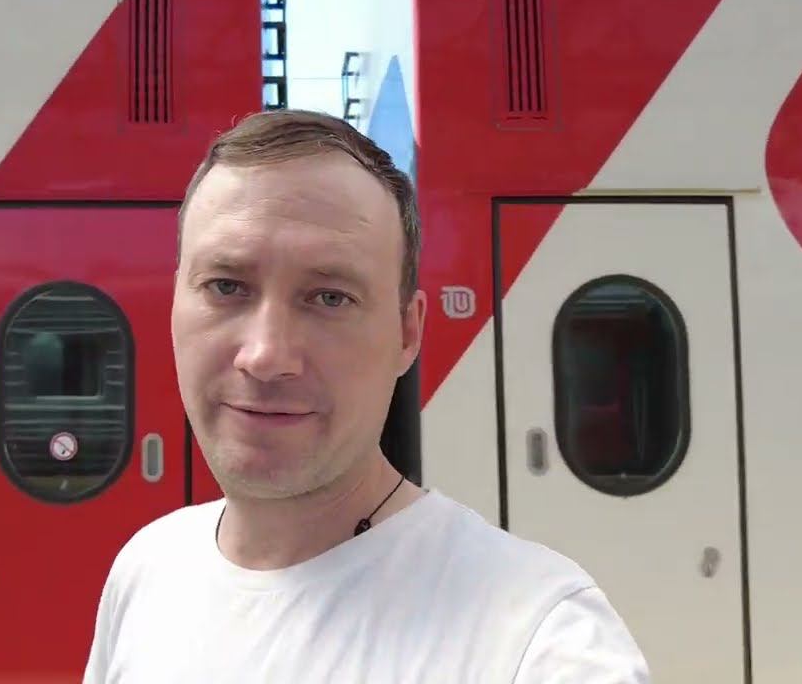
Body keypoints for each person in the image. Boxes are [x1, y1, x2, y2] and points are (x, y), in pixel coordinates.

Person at [82, 109, 649, 682]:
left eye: (330, 298)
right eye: (226, 286)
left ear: (407, 334)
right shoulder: (148, 571)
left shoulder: (539, 638)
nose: (266, 355)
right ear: (174, 306)